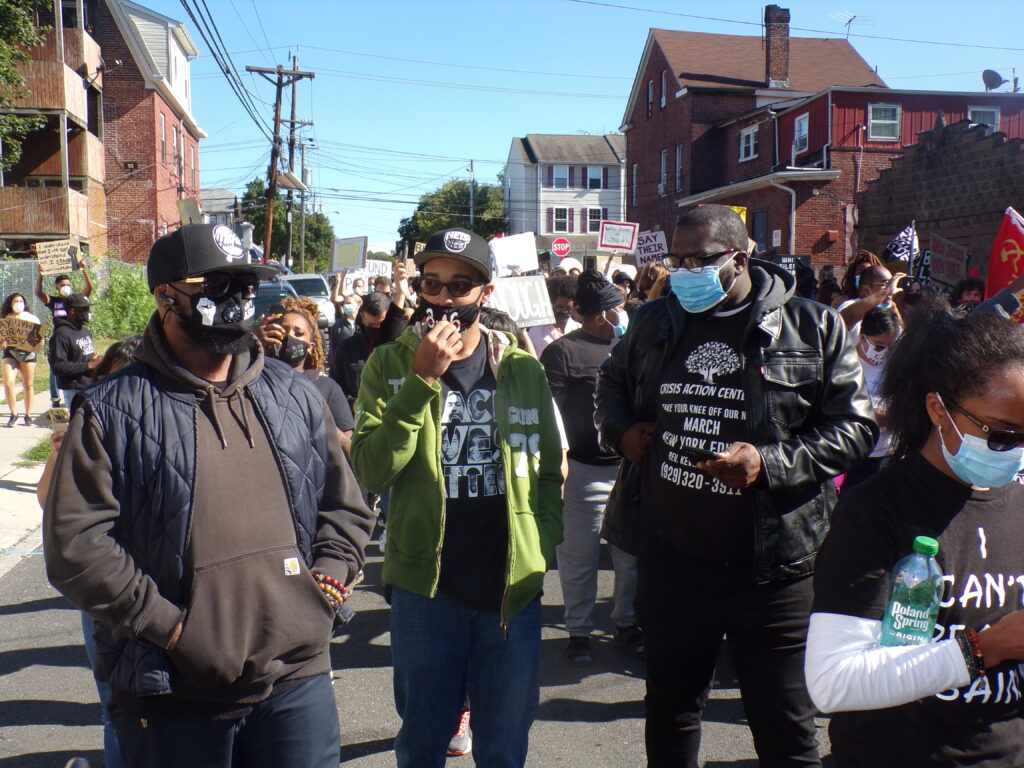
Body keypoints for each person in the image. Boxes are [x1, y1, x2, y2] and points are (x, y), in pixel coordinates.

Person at [42, 223, 374, 768]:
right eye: (215, 284)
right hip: (172, 689)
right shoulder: (110, 410)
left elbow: (345, 507)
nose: (238, 298)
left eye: (246, 284)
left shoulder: (293, 393)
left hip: (298, 681)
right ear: (164, 295)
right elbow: (76, 548)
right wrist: (174, 632)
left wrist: (327, 589)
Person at [595, 204, 877, 766]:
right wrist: (622, 432)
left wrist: (769, 463)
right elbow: (611, 387)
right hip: (672, 560)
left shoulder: (811, 325)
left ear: (740, 257)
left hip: (774, 570)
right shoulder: (653, 321)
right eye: (675, 261)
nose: (683, 273)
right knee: (671, 714)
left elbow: (856, 427)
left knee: (786, 727)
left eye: (698, 260)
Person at [350, 227, 563, 768]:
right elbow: (371, 469)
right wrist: (422, 380)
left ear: (485, 294)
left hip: (510, 590)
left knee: (505, 744)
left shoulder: (520, 368)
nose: (442, 300)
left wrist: (540, 546)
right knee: (422, 743)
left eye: (459, 286)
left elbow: (547, 468)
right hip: (427, 592)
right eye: (431, 285)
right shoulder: (390, 365)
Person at [806, 306, 1024, 765]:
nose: (1017, 452)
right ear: (938, 410)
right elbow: (834, 681)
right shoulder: (876, 511)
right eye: (1002, 435)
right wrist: (986, 649)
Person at [37, 335, 141, 768]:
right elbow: (48, 502)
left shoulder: (158, 430)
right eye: (108, 382)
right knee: (115, 706)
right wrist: (59, 457)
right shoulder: (86, 429)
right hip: (102, 592)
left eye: (129, 384)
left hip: (156, 586)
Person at [540, 269, 640, 666]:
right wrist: (557, 469)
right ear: (600, 314)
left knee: (630, 556)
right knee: (577, 559)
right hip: (582, 470)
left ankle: (627, 623)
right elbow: (552, 415)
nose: (623, 311)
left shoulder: (631, 347)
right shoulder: (563, 352)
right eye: (617, 306)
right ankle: (578, 630)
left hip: (628, 469)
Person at [258, 296, 355, 456]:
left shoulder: (326, 386)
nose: (289, 338)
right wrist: (255, 345)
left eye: (299, 333)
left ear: (310, 347)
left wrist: (325, 425)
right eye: (283, 330)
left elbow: (351, 450)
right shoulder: (257, 381)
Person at [842, 307, 902, 491]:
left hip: (888, 454)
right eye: (879, 346)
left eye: (890, 346)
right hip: (854, 457)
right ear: (862, 337)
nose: (884, 352)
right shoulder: (844, 366)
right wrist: (871, 415)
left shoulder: (897, 367)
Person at [329, 291, 403, 408]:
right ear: (362, 316)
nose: (375, 329)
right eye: (371, 324)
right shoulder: (346, 348)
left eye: (380, 325)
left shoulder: (398, 348)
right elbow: (335, 383)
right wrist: (352, 402)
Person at [36, 262, 94, 408]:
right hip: (61, 339)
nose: (65, 287)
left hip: (75, 337)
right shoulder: (54, 302)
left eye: (68, 284)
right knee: (56, 369)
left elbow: (89, 289)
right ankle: (55, 398)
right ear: (57, 287)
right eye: (62, 285)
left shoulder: (75, 300)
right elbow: (39, 293)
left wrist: (84, 270)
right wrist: (40, 275)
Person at [48, 293, 99, 408]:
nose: (88, 313)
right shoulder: (61, 335)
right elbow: (58, 366)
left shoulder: (85, 331)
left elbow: (83, 357)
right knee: (78, 424)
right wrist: (88, 365)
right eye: (84, 309)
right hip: (74, 391)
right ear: (72, 311)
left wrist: (94, 360)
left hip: (90, 385)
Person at [1, 293, 42, 427]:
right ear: (10, 304)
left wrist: (40, 341)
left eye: (21, 301)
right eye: (15, 301)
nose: (18, 303)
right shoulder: (5, 319)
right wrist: (3, 344)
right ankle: (13, 414)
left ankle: (28, 415)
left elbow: (39, 338)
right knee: (8, 383)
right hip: (10, 352)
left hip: (27, 353)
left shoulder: (32, 318)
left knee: (28, 385)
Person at [837, 263, 898, 345]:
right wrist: (885, 292)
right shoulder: (850, 305)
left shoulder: (890, 308)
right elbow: (847, 318)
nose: (892, 287)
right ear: (866, 288)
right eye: (886, 284)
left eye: (891, 284)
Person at [528, 274, 580, 357]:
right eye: (559, 307)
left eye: (568, 308)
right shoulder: (535, 332)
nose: (564, 311)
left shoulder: (578, 328)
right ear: (551, 304)